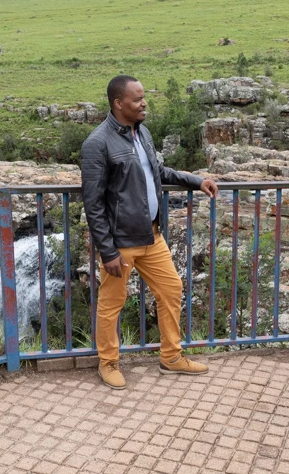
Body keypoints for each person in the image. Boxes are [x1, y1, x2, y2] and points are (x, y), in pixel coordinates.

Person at [81, 75, 220, 390]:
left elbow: (157, 172)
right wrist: (107, 251)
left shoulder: (142, 133)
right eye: (137, 99)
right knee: (111, 304)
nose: (144, 103)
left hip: (152, 236)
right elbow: (94, 204)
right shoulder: (97, 143)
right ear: (119, 103)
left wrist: (196, 180)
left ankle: (171, 357)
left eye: (144, 98)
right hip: (121, 243)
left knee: (171, 289)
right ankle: (109, 363)